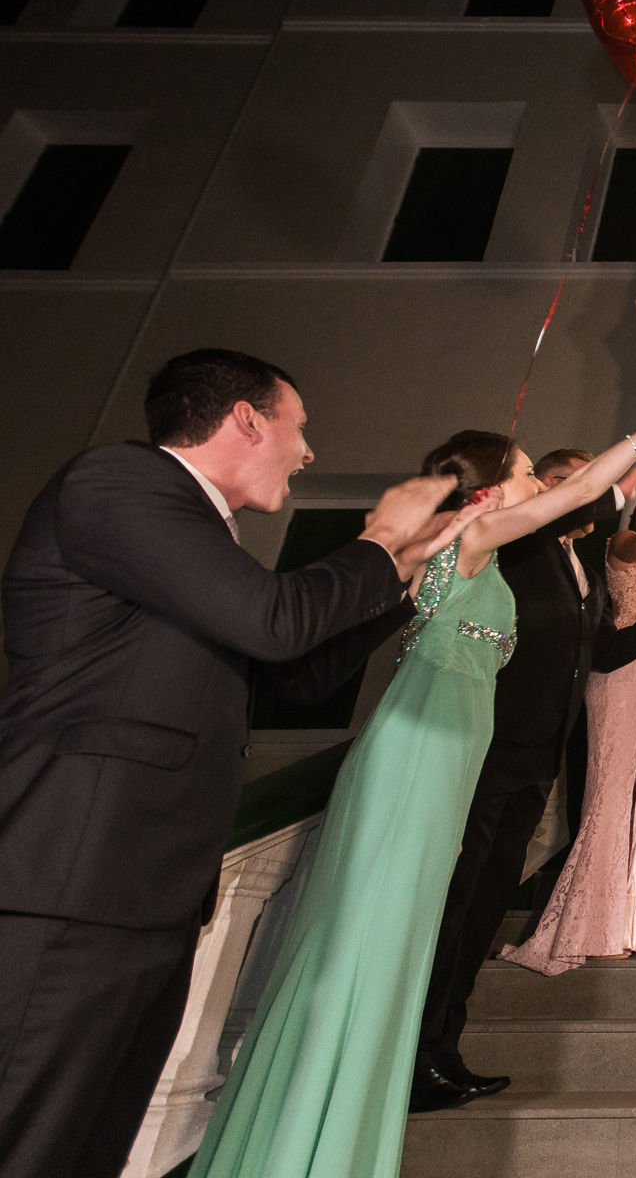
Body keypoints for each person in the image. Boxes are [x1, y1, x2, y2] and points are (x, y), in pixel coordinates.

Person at [187, 381, 636, 1178]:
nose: (536, 485)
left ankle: (352, 1117)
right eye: (525, 474)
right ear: (490, 490)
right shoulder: (469, 537)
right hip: (419, 751)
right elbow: (581, 490)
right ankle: (314, 1135)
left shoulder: (471, 545)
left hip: (454, 757)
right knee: (378, 932)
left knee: (406, 937)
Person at [0, 349, 469, 1178]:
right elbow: (272, 621)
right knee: (28, 1138)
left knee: (90, 1143)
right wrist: (377, 539)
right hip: (71, 885)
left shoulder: (197, 529)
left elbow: (295, 673)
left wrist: (405, 569)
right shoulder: (118, 482)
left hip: (149, 892)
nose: (307, 451)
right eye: (299, 427)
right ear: (247, 419)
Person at [412, 442, 636, 1112]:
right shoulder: (519, 551)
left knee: (486, 904)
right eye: (566, 482)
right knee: (454, 904)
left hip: (539, 755)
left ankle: (444, 1049)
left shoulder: (581, 571)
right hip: (490, 746)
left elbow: (601, 653)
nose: (578, 493)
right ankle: (417, 1053)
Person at [504, 456, 636, 975]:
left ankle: (628, 923)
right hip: (622, 679)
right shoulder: (623, 545)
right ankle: (590, 926)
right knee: (612, 800)